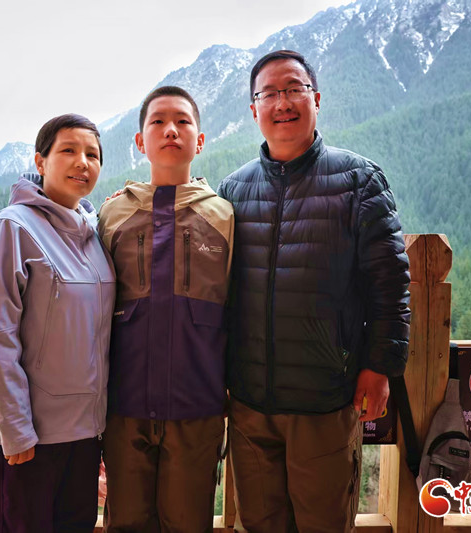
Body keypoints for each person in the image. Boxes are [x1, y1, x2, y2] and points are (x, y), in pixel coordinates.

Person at [217, 50, 411, 533]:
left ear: (316, 99)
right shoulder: (233, 191)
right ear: (254, 109)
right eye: (269, 93)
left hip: (325, 399)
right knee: (259, 523)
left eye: (293, 89)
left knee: (323, 523)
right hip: (249, 403)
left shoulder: (358, 180)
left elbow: (390, 283)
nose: (282, 102)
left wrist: (379, 367)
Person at [0, 114, 115, 533]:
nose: (82, 162)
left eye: (92, 155)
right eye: (68, 150)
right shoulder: (13, 228)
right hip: (29, 442)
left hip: (84, 439)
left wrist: (102, 435)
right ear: (40, 161)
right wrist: (15, 429)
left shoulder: (94, 236)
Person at [98, 86, 234, 533]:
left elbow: (237, 309)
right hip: (124, 407)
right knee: (125, 522)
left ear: (200, 140)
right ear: (140, 141)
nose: (170, 130)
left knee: (189, 523)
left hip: (198, 406)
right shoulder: (112, 216)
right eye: (157, 122)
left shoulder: (224, 216)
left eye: (182, 121)